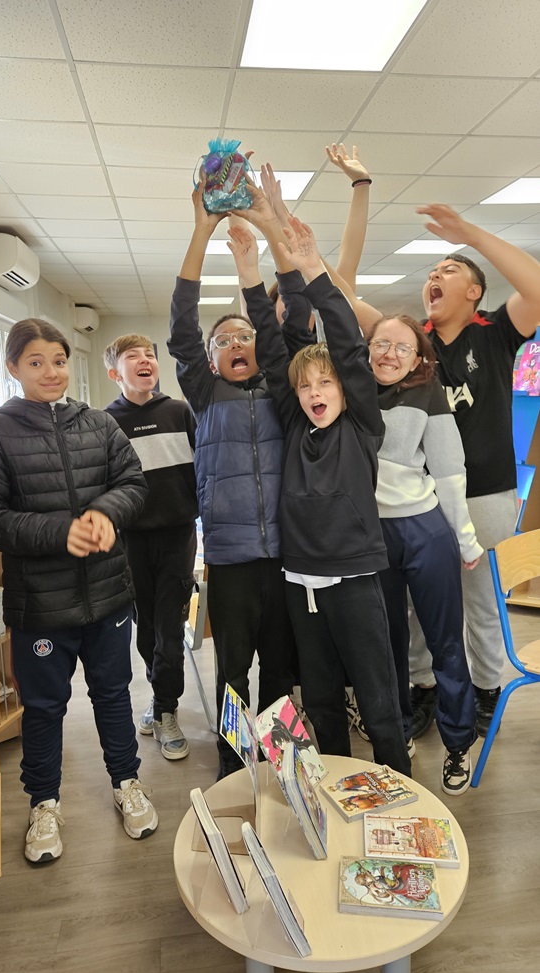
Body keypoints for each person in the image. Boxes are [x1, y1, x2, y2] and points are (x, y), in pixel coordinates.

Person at [331, 151, 540, 738]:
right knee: (417, 604)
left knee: (479, 602)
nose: (434, 277)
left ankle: (485, 690)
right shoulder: (408, 343)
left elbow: (536, 285)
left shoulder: (495, 333)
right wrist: (350, 199)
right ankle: (423, 688)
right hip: (419, 500)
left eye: (449, 270)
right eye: (432, 271)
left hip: (485, 495)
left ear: (474, 291)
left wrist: (468, 235)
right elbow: (339, 295)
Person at [227, 213, 411, 777]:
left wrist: (311, 269)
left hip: (354, 579)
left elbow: (349, 346)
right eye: (305, 386)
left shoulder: (362, 425)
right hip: (299, 582)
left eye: (325, 383)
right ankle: (337, 792)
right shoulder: (293, 423)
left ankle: (400, 795)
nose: (314, 393)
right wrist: (249, 274)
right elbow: (275, 349)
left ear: (346, 391)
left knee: (378, 702)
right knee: (323, 702)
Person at [0, 319, 158, 864]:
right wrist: (62, 532)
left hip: (108, 595)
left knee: (113, 694)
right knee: (43, 707)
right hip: (40, 604)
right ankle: (44, 804)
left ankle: (127, 783)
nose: (51, 372)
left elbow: (133, 484)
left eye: (58, 360)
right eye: (36, 362)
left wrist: (105, 512)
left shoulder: (99, 423)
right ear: (13, 367)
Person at [167, 183, 305, 780]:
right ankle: (231, 758)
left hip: (286, 553)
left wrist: (252, 269)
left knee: (280, 666)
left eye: (243, 336)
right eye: (222, 341)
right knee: (232, 669)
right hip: (229, 559)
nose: (235, 344)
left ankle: (277, 757)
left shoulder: (282, 389)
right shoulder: (205, 393)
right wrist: (203, 231)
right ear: (211, 358)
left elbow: (279, 335)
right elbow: (180, 327)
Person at [366, 313, 482, 794]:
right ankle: (398, 735)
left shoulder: (428, 393)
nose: (390, 354)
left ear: (418, 358)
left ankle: (458, 743)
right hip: (371, 536)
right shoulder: (348, 389)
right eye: (381, 343)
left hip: (424, 529)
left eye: (402, 347)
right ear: (367, 348)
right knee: (386, 644)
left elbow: (450, 472)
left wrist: (466, 539)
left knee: (445, 642)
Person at [104, 334, 198, 760]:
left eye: (149, 355)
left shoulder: (179, 411)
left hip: (178, 536)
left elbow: (201, 469)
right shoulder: (106, 422)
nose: (145, 360)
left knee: (169, 628)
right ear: (115, 372)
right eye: (133, 356)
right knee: (145, 629)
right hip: (131, 540)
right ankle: (160, 696)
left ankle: (165, 710)